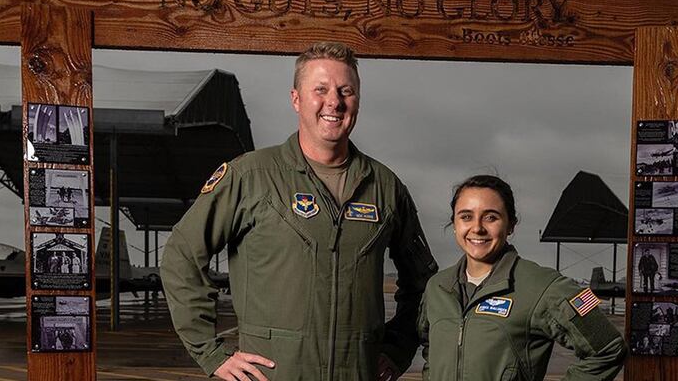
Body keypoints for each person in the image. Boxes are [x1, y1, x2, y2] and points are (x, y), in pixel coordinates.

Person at [161, 42, 438, 381]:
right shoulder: (250, 177)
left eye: (345, 91)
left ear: (357, 101)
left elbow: (424, 281)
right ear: (296, 99)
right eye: (320, 90)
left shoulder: (385, 187)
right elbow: (181, 254)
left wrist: (397, 349)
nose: (333, 102)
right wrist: (212, 353)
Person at [418, 175, 626, 380]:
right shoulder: (437, 287)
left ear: (511, 225)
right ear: (454, 224)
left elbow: (608, 348)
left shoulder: (544, 286)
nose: (477, 228)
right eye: (466, 216)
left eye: (491, 217)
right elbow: (430, 349)